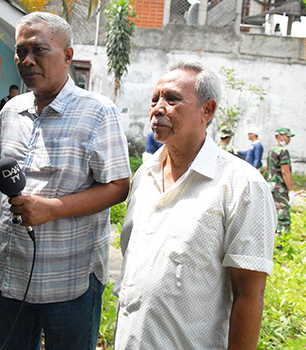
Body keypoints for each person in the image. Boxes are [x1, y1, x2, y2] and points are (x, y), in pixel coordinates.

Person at [0, 12, 131, 350]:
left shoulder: (98, 112)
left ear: (68, 56)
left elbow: (118, 186)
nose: (26, 60)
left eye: (39, 50)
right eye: (20, 51)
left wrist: (53, 208)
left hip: (70, 280)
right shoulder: (11, 111)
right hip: (12, 274)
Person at [114, 61, 277, 349]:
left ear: (208, 110)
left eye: (172, 99)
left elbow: (250, 294)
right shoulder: (145, 174)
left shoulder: (241, 185)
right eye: (155, 99)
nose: (158, 108)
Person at [267, 127, 295, 236]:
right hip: (280, 187)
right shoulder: (283, 151)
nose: (289, 139)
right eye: (287, 137)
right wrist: (291, 190)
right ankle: (281, 243)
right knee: (283, 216)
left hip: (270, 186)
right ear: (280, 137)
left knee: (272, 214)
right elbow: (285, 172)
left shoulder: (271, 150)